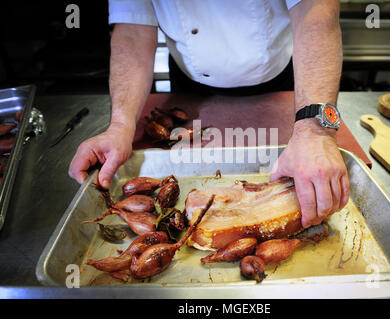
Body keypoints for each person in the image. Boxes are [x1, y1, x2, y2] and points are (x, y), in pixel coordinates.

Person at [69, 0, 350, 228]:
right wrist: (119, 125)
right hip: (190, 87)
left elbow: (316, 12)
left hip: (282, 83)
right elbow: (132, 29)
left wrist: (315, 129)